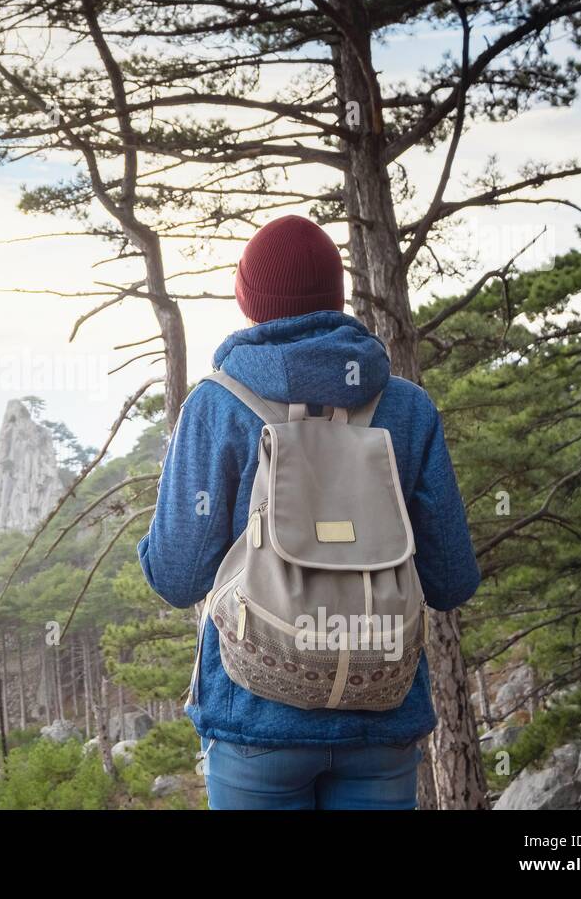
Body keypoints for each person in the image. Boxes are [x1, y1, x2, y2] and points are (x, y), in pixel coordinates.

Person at [137, 215, 480, 810]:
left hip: (255, 721)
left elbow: (177, 577)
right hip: (382, 720)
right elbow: (452, 581)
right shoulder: (408, 408)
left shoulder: (217, 407)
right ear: (335, 296)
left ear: (250, 301)